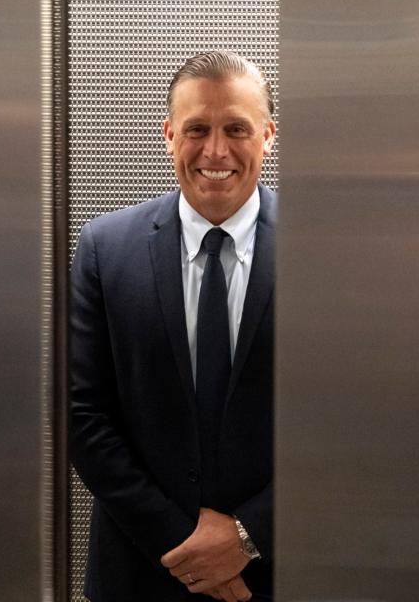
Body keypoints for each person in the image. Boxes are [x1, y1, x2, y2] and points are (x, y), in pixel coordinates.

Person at [70, 50, 277, 602]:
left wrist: (248, 535)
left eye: (236, 128)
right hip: (143, 572)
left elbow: (350, 419)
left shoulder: (328, 249)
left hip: (284, 570)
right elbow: (82, 415)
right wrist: (185, 542)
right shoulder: (104, 250)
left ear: (267, 136)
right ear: (168, 135)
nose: (215, 150)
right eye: (196, 129)